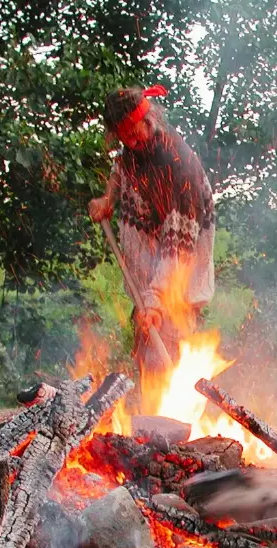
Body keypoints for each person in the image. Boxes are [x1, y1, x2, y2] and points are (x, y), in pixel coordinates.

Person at [88, 85, 216, 375]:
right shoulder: (133, 152)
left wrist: (157, 299)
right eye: (125, 136)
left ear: (149, 119)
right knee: (147, 362)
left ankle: (171, 418)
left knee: (167, 360)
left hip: (176, 287)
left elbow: (179, 246)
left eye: (135, 132)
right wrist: (108, 198)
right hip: (148, 286)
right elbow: (121, 168)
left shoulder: (179, 164)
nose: (132, 141)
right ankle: (150, 419)